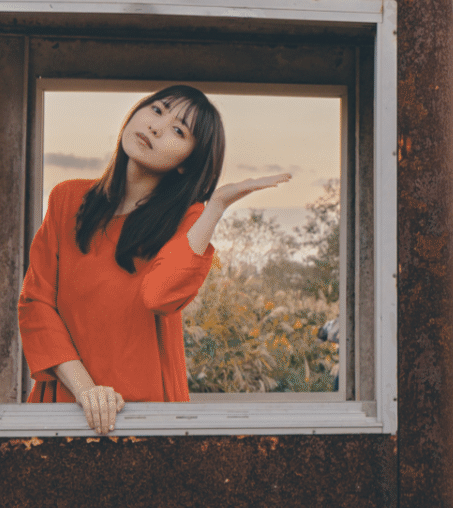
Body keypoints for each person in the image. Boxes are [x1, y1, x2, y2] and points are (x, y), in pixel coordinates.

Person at [18, 84, 289, 435]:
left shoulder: (187, 220)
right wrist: (87, 390)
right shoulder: (67, 199)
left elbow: (160, 296)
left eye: (179, 131)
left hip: (145, 413)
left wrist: (216, 206)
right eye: (158, 110)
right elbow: (35, 303)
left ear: (186, 163)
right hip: (65, 405)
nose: (157, 127)